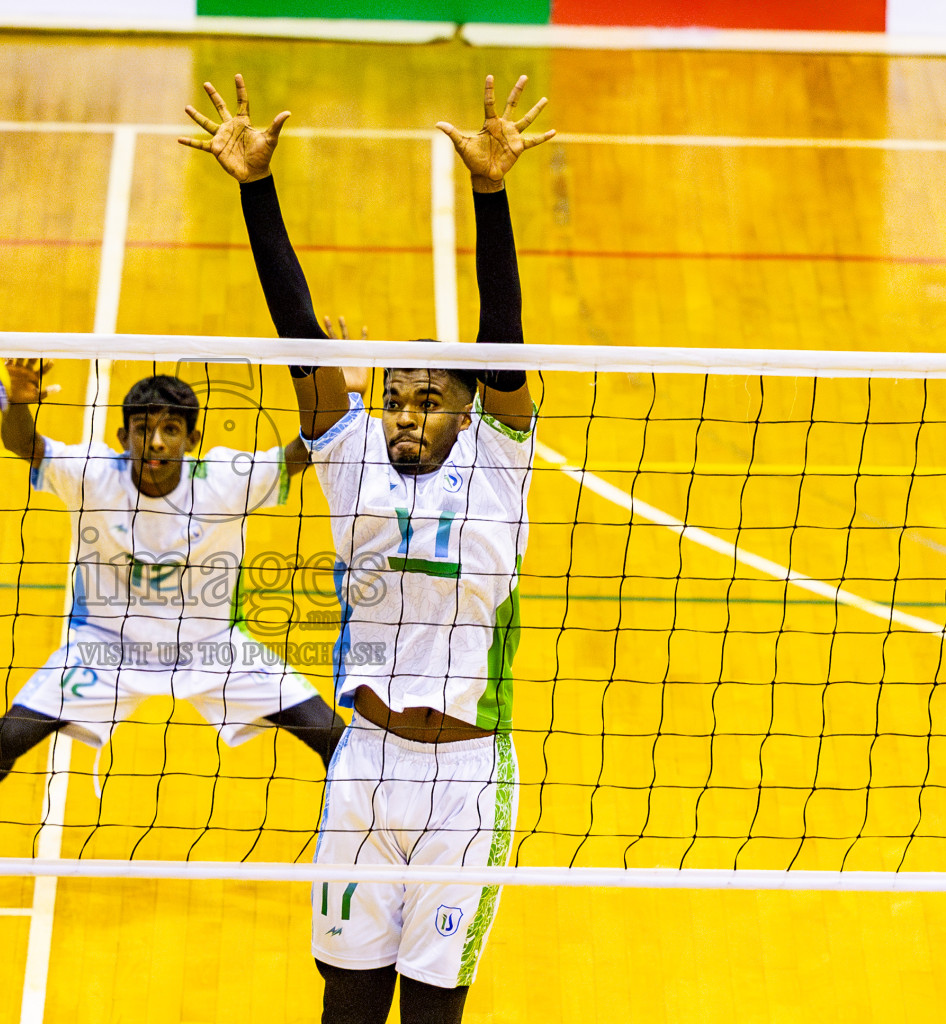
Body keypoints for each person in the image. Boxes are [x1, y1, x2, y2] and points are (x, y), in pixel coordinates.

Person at [182, 73, 551, 1023]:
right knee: (345, 1009)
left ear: (468, 416)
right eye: (394, 396)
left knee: (432, 1017)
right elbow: (299, 336)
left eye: (429, 400)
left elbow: (502, 340)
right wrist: (254, 188)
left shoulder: (501, 468)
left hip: (468, 783)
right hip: (367, 769)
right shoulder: (352, 468)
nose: (404, 414)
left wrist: (493, 195)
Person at [0, 362, 350, 856]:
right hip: (106, 649)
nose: (158, 441)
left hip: (214, 650)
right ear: (124, 436)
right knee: (5, 741)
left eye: (171, 429)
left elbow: (303, 451)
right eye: (144, 429)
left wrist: (338, 394)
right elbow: (25, 445)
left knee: (333, 736)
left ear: (192, 439)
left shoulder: (226, 480)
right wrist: (17, 401)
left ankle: (358, 831)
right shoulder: (93, 474)